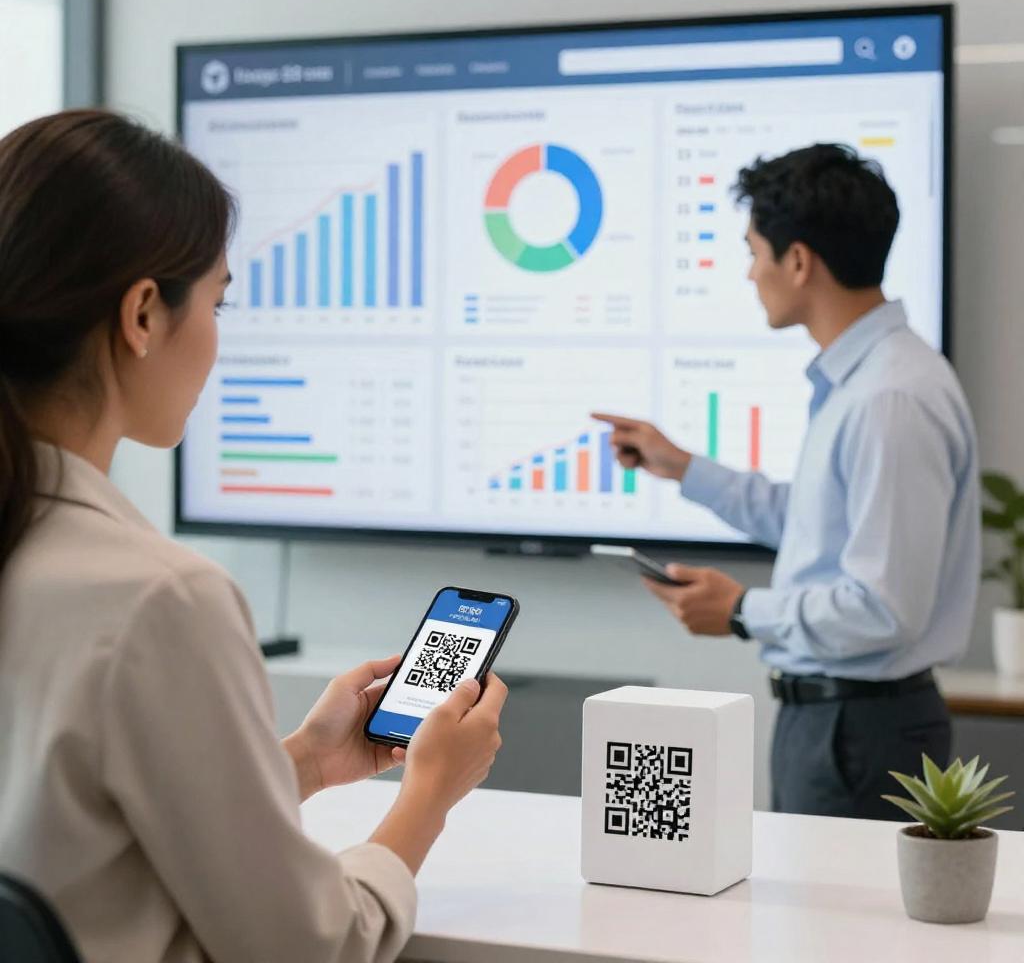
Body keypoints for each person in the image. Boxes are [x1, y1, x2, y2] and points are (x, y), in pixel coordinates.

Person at [0, 109, 507, 963]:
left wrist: (306, 760)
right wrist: (431, 794)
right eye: (217, 303)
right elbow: (309, 948)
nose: (217, 342)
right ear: (142, 317)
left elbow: (69, 830)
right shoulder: (159, 600)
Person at [595, 143, 979, 821]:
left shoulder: (888, 398)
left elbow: (883, 610)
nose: (750, 273)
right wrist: (683, 467)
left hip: (858, 733)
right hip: (838, 724)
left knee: (838, 930)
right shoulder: (867, 380)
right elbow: (815, 524)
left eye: (754, 251)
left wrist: (744, 610)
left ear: (798, 261)